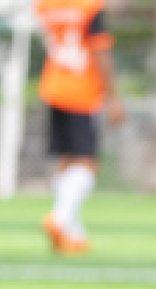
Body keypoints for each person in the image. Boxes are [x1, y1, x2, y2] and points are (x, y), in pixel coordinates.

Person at [36, 0, 126, 255]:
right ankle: (60, 218)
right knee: (87, 162)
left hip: (54, 85)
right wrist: (114, 97)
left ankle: (72, 233)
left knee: (66, 160)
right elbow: (100, 51)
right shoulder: (89, 7)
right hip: (82, 90)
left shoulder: (47, 5)